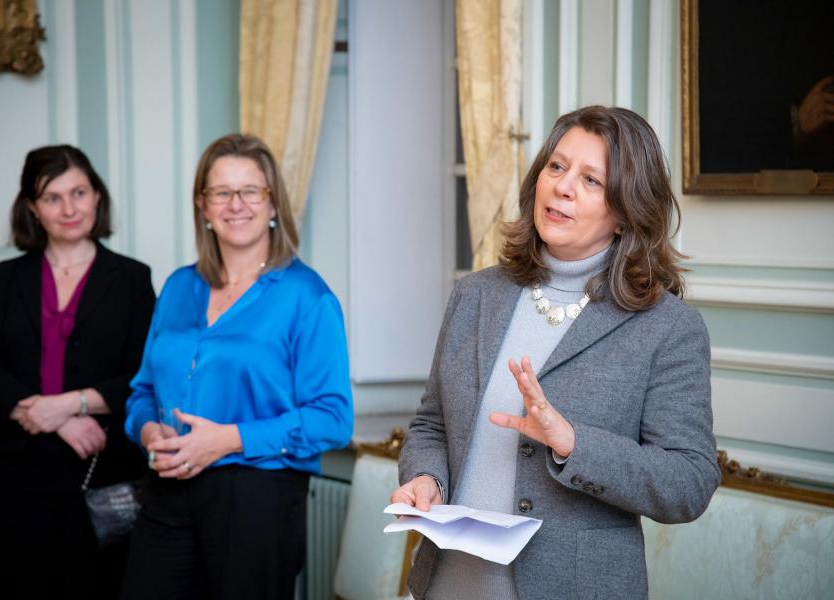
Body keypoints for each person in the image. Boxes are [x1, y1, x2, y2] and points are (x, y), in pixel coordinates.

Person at [391, 106, 720, 600]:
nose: (563, 187)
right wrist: (426, 478)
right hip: (448, 584)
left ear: (626, 211)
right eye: (557, 167)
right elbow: (431, 425)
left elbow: (689, 482)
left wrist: (571, 442)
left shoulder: (667, 328)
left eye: (591, 180)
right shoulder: (477, 294)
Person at [121, 133, 353, 600]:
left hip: (257, 499)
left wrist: (226, 440)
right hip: (166, 488)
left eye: (251, 190)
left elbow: (333, 419)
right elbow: (142, 391)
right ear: (203, 207)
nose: (236, 204)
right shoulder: (178, 287)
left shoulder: (308, 298)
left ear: (272, 204)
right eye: (221, 192)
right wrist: (149, 432)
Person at [0, 145, 155, 599]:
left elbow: (144, 377)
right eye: (52, 197)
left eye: (79, 192)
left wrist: (71, 403)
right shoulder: (4, 278)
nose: (69, 209)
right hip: (17, 480)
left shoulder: (132, 279)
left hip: (103, 478)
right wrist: (60, 421)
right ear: (31, 207)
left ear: (97, 197)